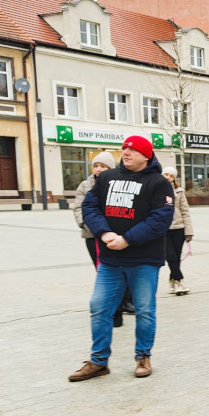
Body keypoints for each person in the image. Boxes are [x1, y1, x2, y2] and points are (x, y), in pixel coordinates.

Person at [69, 136, 173, 381]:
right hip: (110, 260)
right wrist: (104, 232)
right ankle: (99, 361)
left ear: (146, 155)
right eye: (125, 148)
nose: (126, 152)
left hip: (144, 260)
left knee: (145, 310)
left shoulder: (159, 183)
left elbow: (160, 220)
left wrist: (127, 239)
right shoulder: (106, 178)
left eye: (132, 149)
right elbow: (89, 207)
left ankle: (143, 357)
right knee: (99, 307)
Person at [74, 151, 128, 328]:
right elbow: (79, 209)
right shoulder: (85, 185)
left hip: (115, 236)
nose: (98, 169)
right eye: (96, 166)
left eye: (103, 166)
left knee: (117, 274)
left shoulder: (118, 183)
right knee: (103, 273)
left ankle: (118, 311)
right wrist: (93, 227)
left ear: (110, 168)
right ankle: (109, 311)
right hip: (93, 236)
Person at [161, 166, 193, 296]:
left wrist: (189, 230)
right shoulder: (157, 190)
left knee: (176, 257)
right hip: (163, 229)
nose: (168, 177)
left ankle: (173, 281)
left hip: (179, 228)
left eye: (171, 175)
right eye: (166, 175)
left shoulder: (179, 192)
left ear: (174, 178)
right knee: (171, 257)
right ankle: (179, 281)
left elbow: (185, 211)